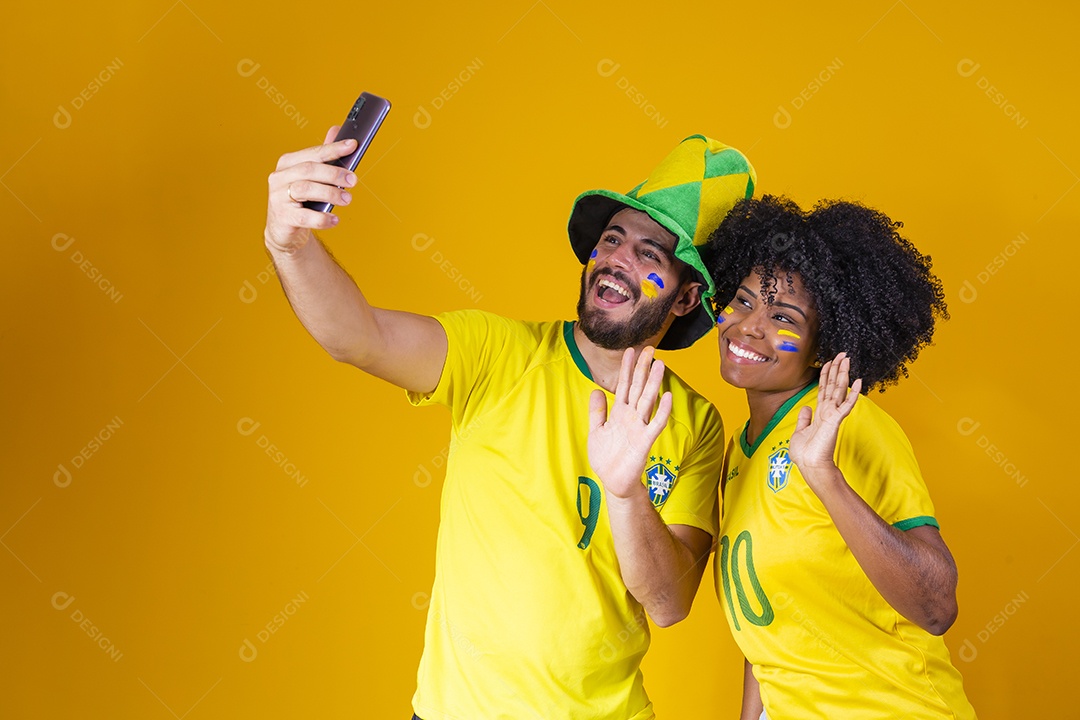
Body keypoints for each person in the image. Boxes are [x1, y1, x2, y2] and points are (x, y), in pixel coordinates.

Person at [263, 131, 757, 719]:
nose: (617, 259)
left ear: (685, 299)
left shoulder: (693, 423)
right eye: (612, 238)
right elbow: (357, 336)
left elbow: (670, 603)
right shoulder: (496, 353)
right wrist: (289, 245)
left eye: (649, 254)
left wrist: (626, 493)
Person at [702, 196, 977, 718]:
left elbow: (937, 607)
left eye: (783, 317)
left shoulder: (850, 426)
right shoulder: (740, 449)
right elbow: (769, 632)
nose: (749, 326)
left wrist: (823, 475)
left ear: (824, 343)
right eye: (742, 300)